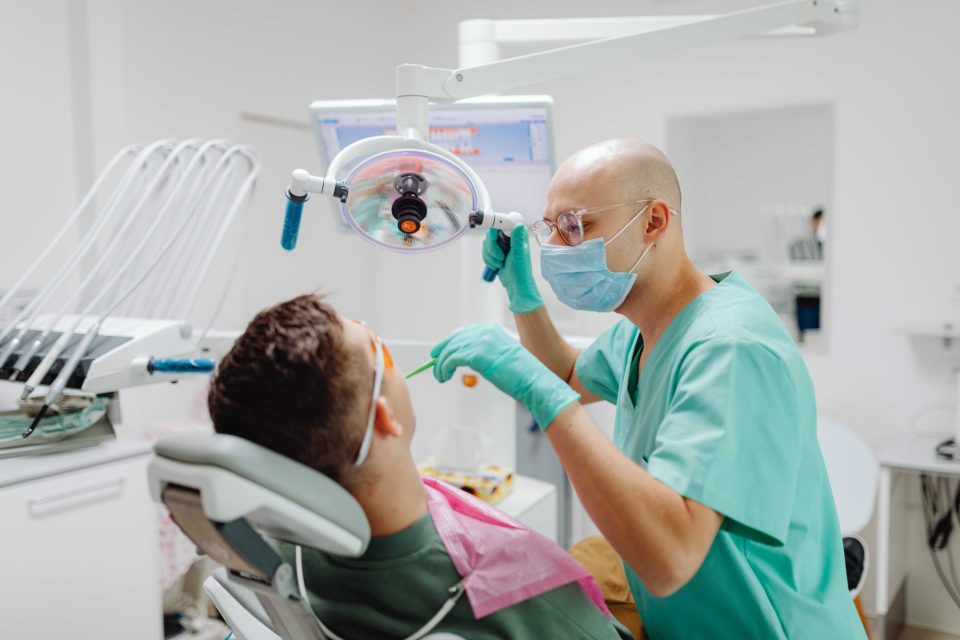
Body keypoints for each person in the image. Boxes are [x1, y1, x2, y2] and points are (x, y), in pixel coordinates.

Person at [430, 140, 865, 638]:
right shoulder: (648, 326)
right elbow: (570, 373)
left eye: (575, 226)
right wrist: (523, 296)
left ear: (653, 221)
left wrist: (540, 395)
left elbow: (670, 556)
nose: (555, 249)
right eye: (550, 229)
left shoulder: (730, 350)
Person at [206, 294, 628, 640]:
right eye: (379, 348)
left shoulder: (270, 557)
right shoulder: (525, 597)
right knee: (606, 555)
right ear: (384, 417)